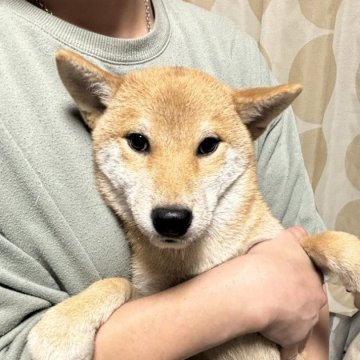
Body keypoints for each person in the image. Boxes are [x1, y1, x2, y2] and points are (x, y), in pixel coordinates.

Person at [0, 0, 328, 359]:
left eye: (207, 146)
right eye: (139, 142)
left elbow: (308, 292)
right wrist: (245, 294)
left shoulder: (230, 48)